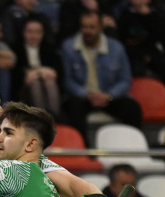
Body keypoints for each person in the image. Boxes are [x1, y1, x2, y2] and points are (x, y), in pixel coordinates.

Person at [60, 10, 143, 145]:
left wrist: (109, 95)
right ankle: (84, 152)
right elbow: (67, 81)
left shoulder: (117, 48)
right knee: (73, 109)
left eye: (91, 27)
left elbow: (125, 80)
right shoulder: (69, 47)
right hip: (82, 97)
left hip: (109, 96)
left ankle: (132, 147)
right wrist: (87, 95)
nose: (87, 31)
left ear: (100, 27)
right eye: (84, 27)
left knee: (132, 108)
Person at [11, 17, 62, 118]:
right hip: (23, 91)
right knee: (35, 83)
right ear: (23, 32)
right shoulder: (15, 49)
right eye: (30, 32)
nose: (34, 36)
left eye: (38, 32)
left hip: (48, 86)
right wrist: (37, 73)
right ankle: (41, 119)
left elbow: (57, 73)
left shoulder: (50, 49)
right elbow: (16, 75)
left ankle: (55, 118)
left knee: (49, 81)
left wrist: (36, 72)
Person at [117, 0, 165, 90]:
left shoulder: (156, 16)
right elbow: (121, 39)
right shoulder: (124, 14)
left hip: (150, 51)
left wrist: (148, 16)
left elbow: (163, 38)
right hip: (130, 52)